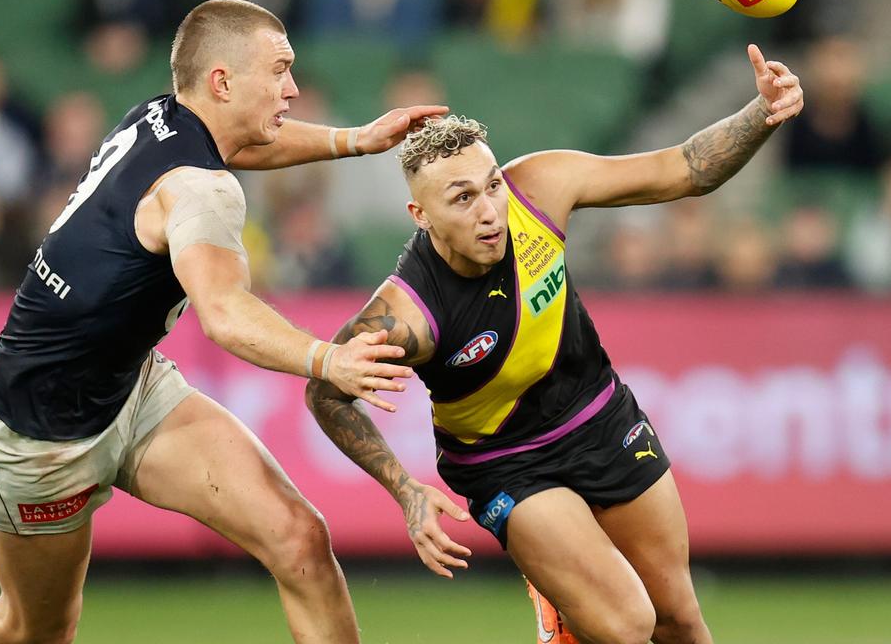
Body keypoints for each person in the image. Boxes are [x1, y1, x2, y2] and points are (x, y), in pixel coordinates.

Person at [0, 0, 447, 644]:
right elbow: (224, 314)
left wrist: (354, 140)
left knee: (299, 540)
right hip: (35, 437)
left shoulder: (161, 117)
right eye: (279, 70)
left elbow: (249, 144)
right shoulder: (200, 189)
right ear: (223, 81)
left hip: (130, 391)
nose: (294, 88)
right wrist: (327, 359)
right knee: (33, 630)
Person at [305, 44, 804, 644]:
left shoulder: (538, 188)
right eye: (462, 198)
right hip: (505, 462)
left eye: (490, 185)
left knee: (678, 621)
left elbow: (685, 168)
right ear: (420, 214)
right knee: (626, 624)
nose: (490, 210)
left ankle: (565, 611)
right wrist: (405, 489)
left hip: (599, 414)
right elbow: (324, 393)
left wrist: (763, 112)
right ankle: (561, 611)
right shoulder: (406, 313)